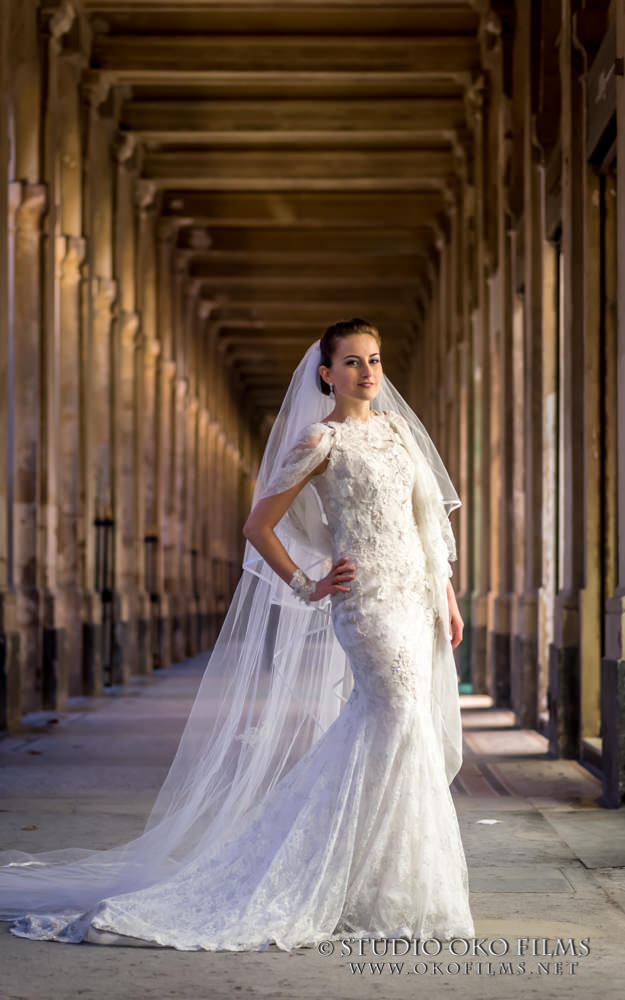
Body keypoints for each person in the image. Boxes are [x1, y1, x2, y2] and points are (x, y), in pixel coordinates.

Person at [0, 319, 475, 949]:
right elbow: (259, 526)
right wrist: (308, 582)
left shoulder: (397, 434)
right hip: (366, 604)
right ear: (326, 374)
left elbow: (425, 522)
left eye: (376, 360)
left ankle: (383, 884)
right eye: (353, 362)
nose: (368, 372)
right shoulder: (321, 440)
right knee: (393, 716)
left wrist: (444, 594)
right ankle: (325, 876)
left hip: (414, 598)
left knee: (399, 725)